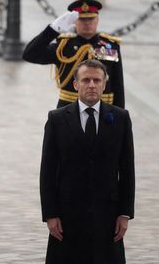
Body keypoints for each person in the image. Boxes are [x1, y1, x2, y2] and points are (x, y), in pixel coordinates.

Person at [39, 59, 135, 264]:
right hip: (67, 216)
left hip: (107, 216)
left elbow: (127, 170)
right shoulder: (57, 119)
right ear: (76, 84)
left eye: (96, 80)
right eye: (86, 80)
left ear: (104, 84)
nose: (91, 85)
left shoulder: (120, 118)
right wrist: (50, 214)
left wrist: (125, 213)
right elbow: (47, 170)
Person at [23, 0, 125, 109]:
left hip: (103, 109)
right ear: (74, 21)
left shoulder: (110, 46)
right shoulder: (63, 46)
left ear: (97, 20)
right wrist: (52, 30)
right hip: (69, 110)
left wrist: (120, 116)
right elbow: (29, 54)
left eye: (91, 19)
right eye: (82, 19)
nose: (87, 23)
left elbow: (117, 84)